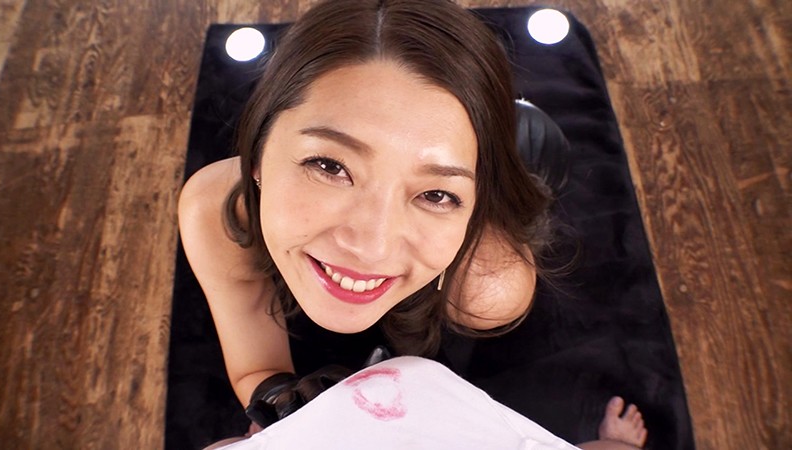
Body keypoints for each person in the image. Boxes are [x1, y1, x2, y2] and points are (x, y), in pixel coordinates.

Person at [178, 0, 647, 448]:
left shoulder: (491, 286)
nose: (372, 246)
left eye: (436, 194)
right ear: (256, 155)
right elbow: (255, 367)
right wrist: (283, 403)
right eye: (329, 166)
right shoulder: (214, 206)